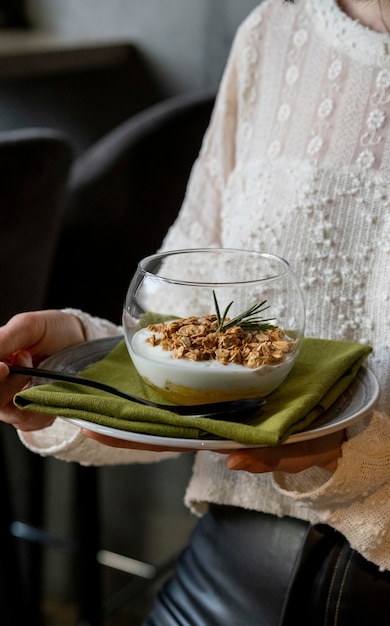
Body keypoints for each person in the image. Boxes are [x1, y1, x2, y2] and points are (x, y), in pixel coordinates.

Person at [1, 0, 390, 623]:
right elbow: (184, 345)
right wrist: (80, 363)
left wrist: (348, 453)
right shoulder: (276, 32)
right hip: (234, 571)